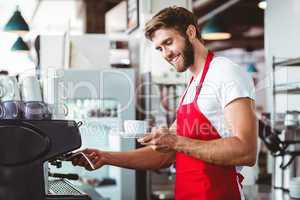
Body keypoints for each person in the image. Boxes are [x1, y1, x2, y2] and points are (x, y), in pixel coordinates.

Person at [72, 6, 257, 200]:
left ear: (191, 32)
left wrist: (175, 141)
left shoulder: (225, 73)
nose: (166, 54)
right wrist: (105, 157)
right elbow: (165, 155)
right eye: (160, 48)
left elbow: (246, 150)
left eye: (168, 42)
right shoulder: (192, 85)